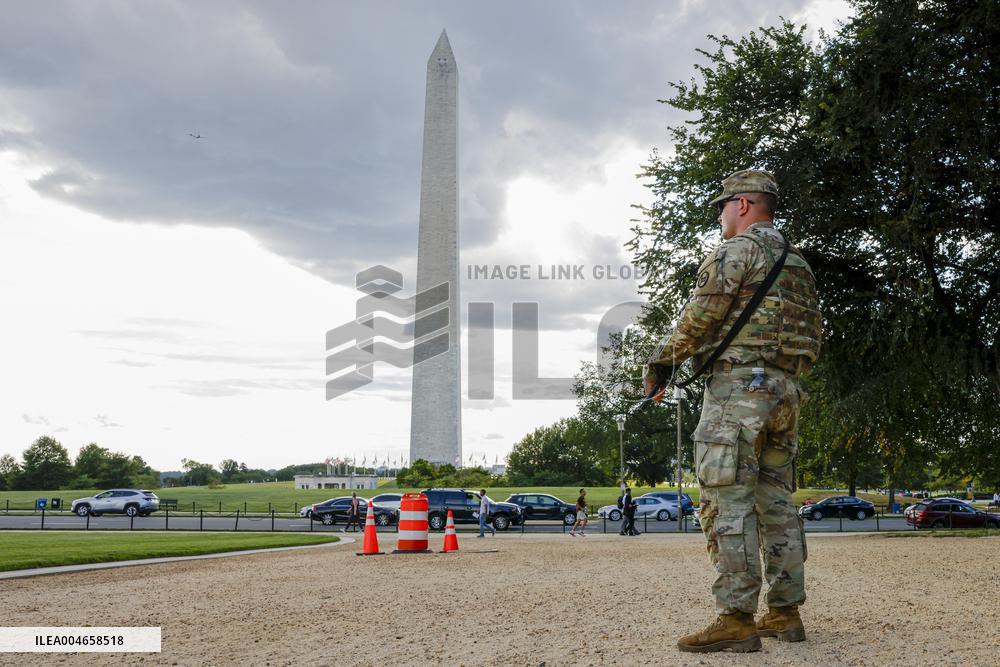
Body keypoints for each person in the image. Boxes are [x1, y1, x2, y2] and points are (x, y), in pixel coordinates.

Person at [644, 170, 822, 653]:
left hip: (738, 389)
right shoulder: (799, 265)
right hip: (786, 390)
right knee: (778, 503)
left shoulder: (737, 252)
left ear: (743, 205)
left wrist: (662, 363)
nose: (720, 217)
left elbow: (701, 315)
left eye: (723, 207)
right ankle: (785, 612)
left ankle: (736, 617)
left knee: (726, 499)